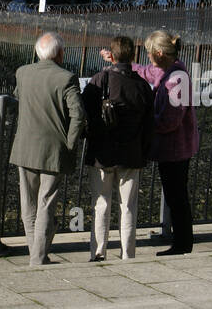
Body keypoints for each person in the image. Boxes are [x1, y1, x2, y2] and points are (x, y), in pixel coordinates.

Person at [11, 33, 86, 266]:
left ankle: (37, 255)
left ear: (37, 53)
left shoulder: (22, 73)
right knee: (46, 203)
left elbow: (17, 97)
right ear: (61, 53)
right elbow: (78, 115)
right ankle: (38, 258)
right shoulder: (67, 78)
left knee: (29, 205)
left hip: (25, 147)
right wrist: (70, 143)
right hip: (54, 150)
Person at [128, 30, 199, 255]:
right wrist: (123, 64)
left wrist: (144, 121)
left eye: (149, 53)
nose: (147, 57)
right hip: (172, 148)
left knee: (177, 197)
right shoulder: (166, 70)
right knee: (175, 196)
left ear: (159, 53)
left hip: (176, 149)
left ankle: (182, 244)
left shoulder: (178, 78)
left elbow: (171, 120)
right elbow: (146, 72)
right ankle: (181, 242)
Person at [84, 35, 154, 261]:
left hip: (102, 153)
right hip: (131, 153)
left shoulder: (100, 79)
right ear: (134, 56)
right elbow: (150, 122)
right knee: (128, 207)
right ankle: (127, 253)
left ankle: (98, 252)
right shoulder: (143, 85)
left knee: (101, 204)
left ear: (111, 56)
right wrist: (144, 150)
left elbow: (84, 110)